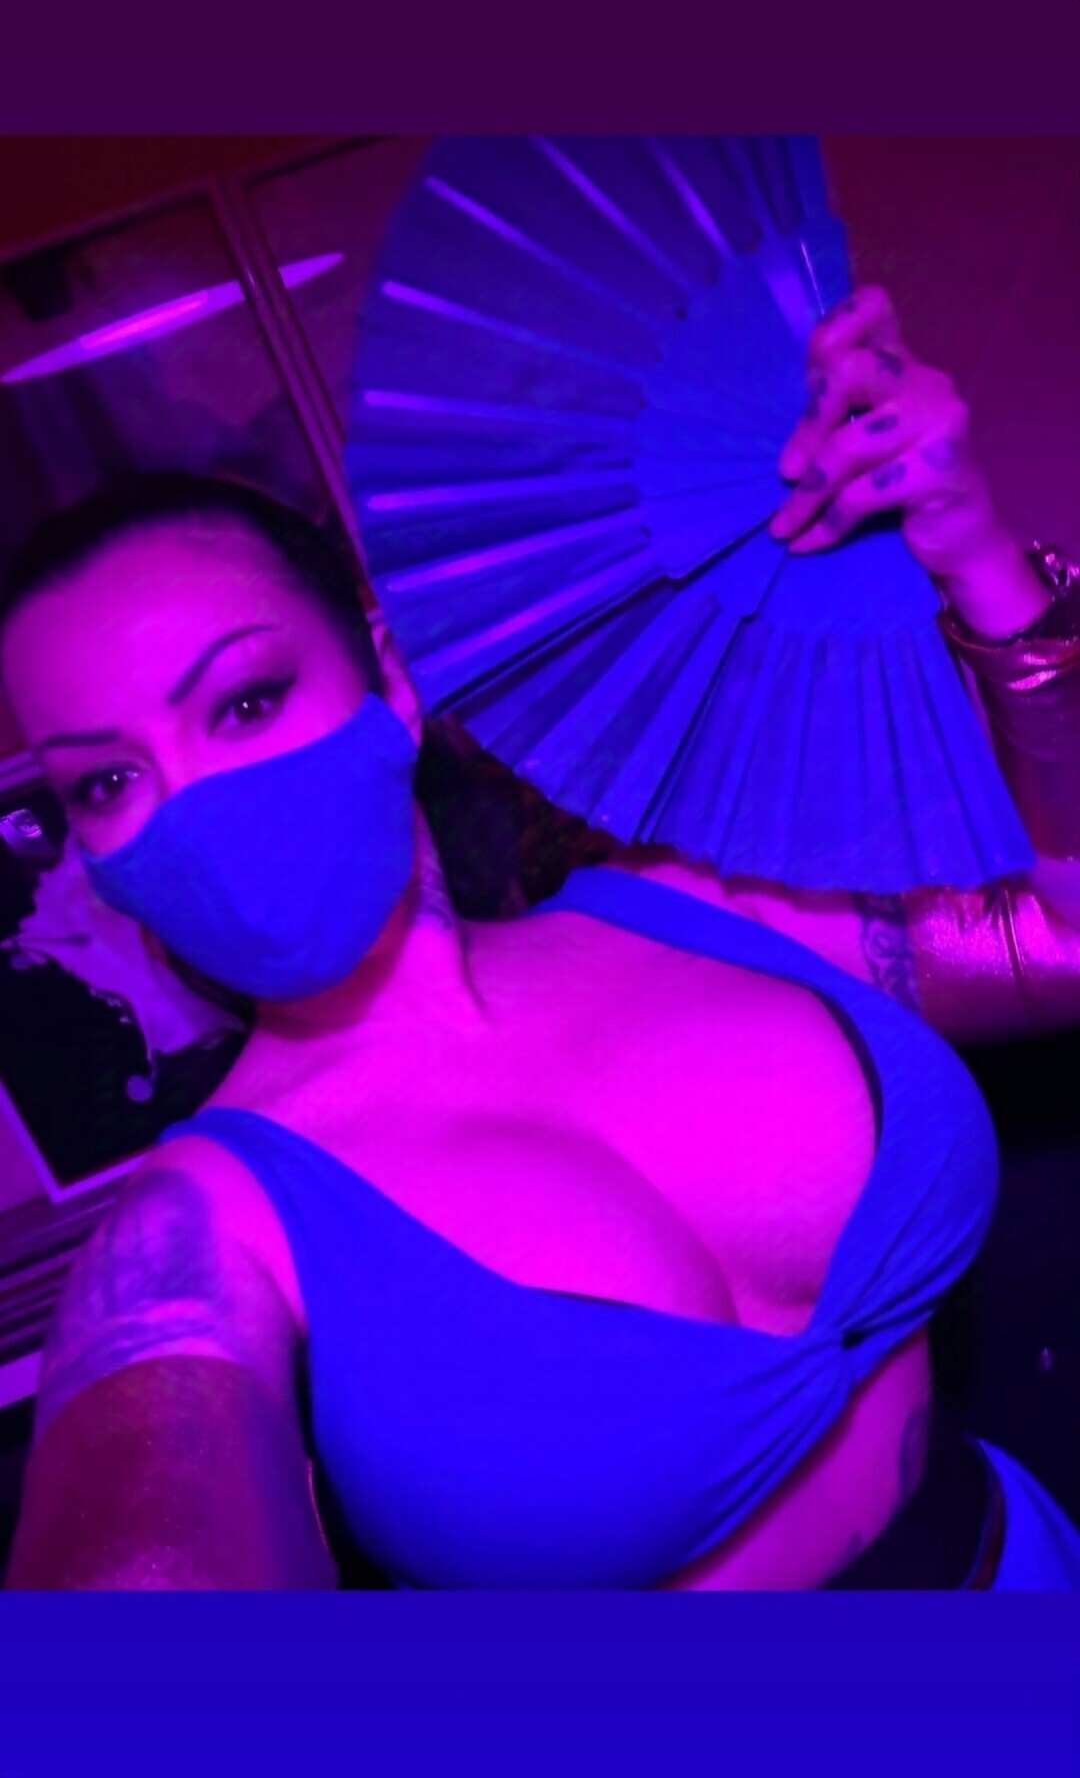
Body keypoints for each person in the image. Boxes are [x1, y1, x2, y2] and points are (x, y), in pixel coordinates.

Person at [2, 286, 1079, 1590]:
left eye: (244, 702)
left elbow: (1061, 932)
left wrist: (980, 557)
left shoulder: (703, 914)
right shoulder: (205, 1225)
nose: (198, 806)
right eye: (107, 781)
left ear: (390, 680)